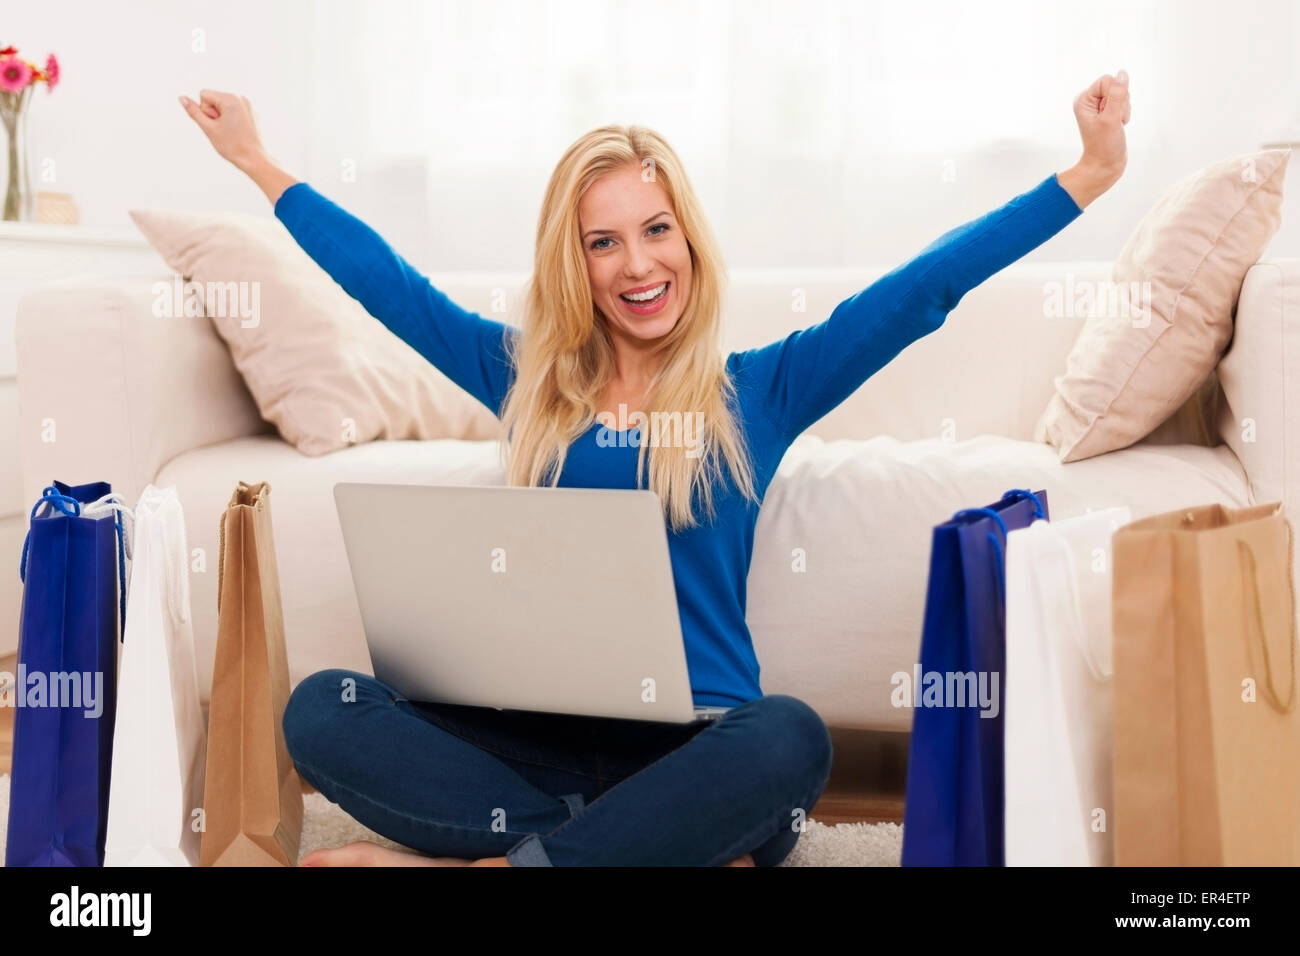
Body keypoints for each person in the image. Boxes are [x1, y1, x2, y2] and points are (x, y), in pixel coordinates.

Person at [178, 70, 1129, 866]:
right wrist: (261, 166)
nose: (638, 263)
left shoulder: (763, 390)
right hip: (530, 747)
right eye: (604, 241)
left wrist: (1084, 176)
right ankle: (619, 854)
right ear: (575, 262)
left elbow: (925, 287)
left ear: (688, 241)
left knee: (792, 737)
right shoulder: (525, 381)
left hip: (701, 748)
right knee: (326, 708)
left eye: (656, 229)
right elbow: (389, 288)